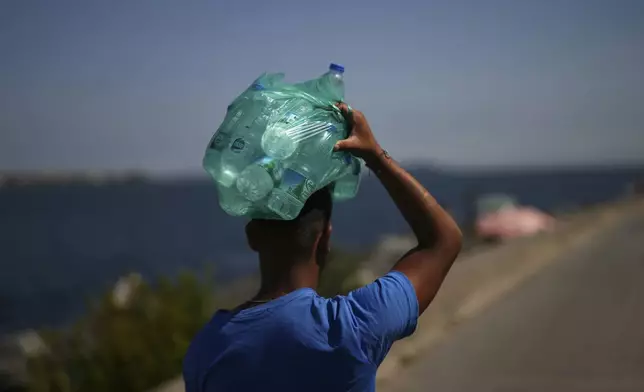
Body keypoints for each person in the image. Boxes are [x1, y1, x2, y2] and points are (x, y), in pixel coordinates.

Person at [183, 103, 463, 392]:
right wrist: (374, 155)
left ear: (252, 236)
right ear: (325, 239)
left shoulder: (205, 350)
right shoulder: (352, 327)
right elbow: (444, 240)